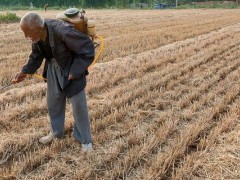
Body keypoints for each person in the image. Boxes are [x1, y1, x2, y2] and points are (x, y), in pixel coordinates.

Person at [14, 12, 95, 151]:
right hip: (52, 67)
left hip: (71, 68)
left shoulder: (63, 31)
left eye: (28, 33)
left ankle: (85, 141)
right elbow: (36, 56)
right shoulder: (37, 36)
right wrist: (25, 72)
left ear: (39, 28)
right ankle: (56, 132)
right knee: (53, 102)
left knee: (78, 106)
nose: (26, 37)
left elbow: (87, 48)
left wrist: (75, 70)